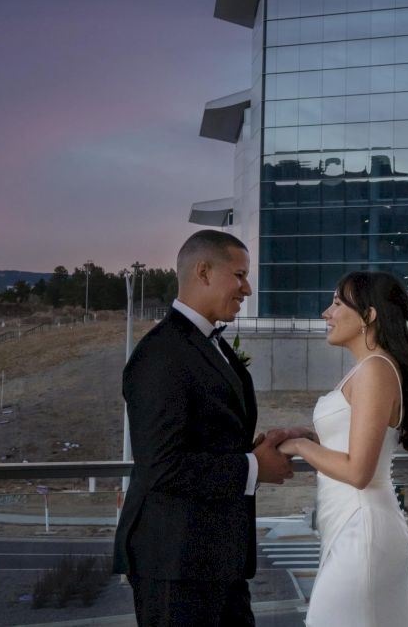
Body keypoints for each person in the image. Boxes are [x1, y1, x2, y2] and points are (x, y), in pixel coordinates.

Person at [112, 230, 295, 627]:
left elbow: (209, 436)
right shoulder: (161, 355)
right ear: (205, 272)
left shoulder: (208, 344)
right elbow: (163, 467)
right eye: (240, 275)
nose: (247, 288)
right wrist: (253, 468)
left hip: (217, 559)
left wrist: (264, 447)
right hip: (176, 562)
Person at [276, 270, 408, 627]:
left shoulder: (375, 370)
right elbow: (349, 441)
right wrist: (313, 438)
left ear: (370, 315)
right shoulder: (367, 369)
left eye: (337, 303)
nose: (326, 314)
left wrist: (298, 445)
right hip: (350, 526)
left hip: (363, 529)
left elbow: (359, 472)